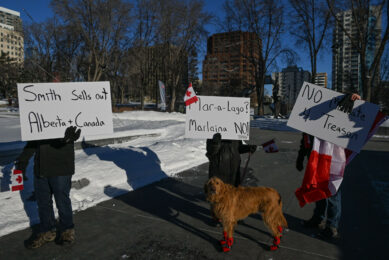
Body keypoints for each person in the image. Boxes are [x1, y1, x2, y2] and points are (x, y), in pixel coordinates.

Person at [295, 93, 361, 239]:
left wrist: (352, 98)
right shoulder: (309, 120)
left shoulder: (335, 117)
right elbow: (304, 140)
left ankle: (332, 225)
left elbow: (357, 115)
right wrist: (300, 157)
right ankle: (318, 218)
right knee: (318, 190)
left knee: (332, 193)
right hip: (315, 161)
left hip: (332, 161)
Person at [15, 126, 81, 249]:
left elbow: (73, 132)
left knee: (62, 200)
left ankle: (67, 231)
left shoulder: (66, 114)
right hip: (41, 168)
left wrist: (68, 139)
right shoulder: (40, 112)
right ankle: (47, 231)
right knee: (43, 202)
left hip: (61, 167)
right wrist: (22, 161)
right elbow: (33, 140)